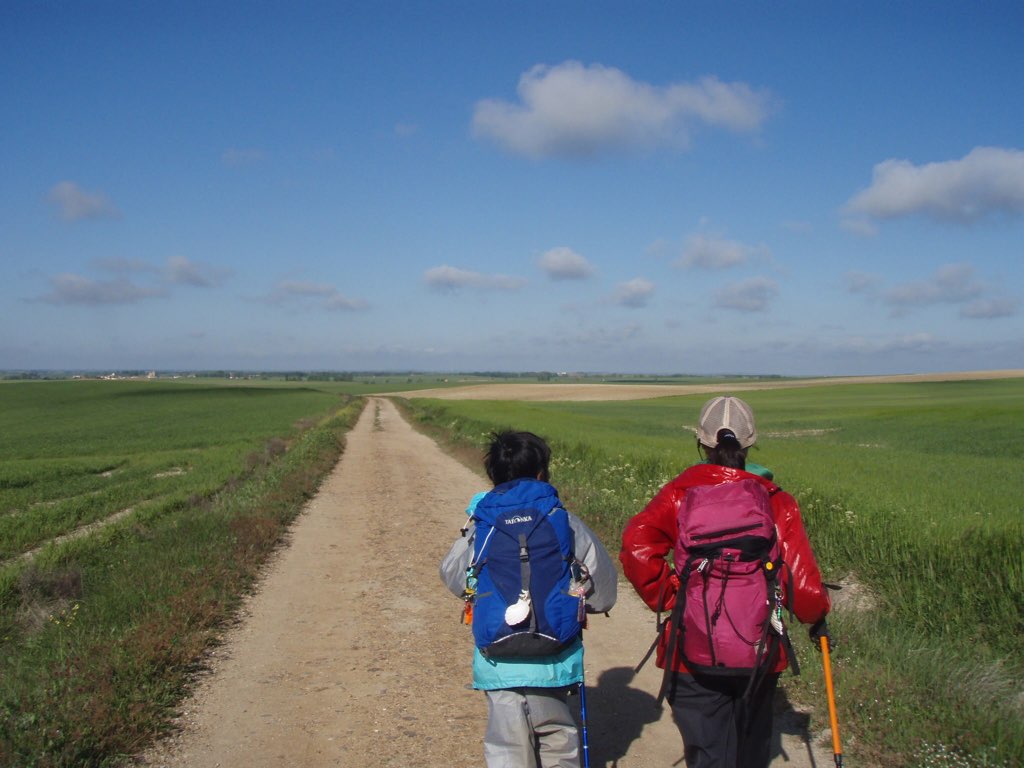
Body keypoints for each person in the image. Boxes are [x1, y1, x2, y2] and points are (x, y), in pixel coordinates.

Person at [619, 396, 831, 768]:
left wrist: (671, 593)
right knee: (750, 756)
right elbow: (806, 591)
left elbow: (636, 546)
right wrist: (817, 616)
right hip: (758, 650)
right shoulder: (775, 501)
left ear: (701, 443)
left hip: (691, 649)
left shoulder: (679, 495)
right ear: (750, 443)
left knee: (709, 757)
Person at [441, 430, 617, 768]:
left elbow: (453, 574)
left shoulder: (483, 523)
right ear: (541, 472)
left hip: (498, 660)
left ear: (494, 475)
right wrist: (576, 601)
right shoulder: (564, 521)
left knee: (507, 749)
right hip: (556, 656)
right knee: (558, 742)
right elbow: (604, 592)